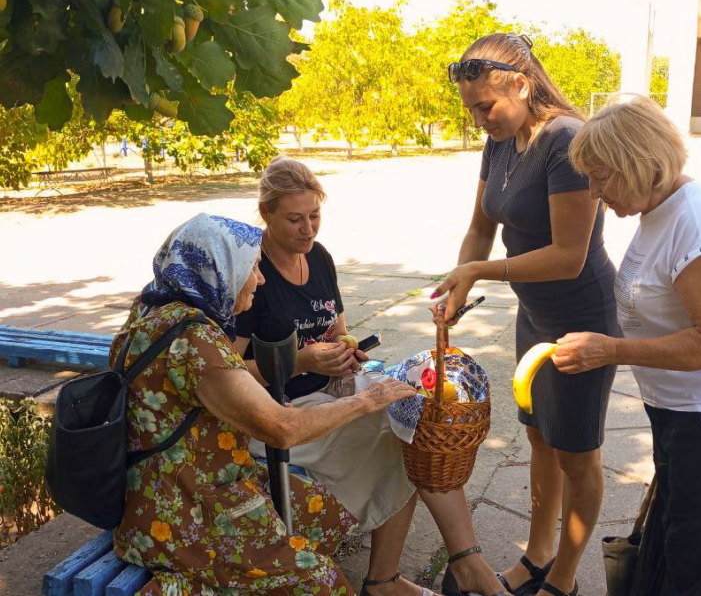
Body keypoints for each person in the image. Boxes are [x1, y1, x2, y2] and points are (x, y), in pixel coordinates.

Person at [235, 156, 511, 596]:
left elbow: (337, 332)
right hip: (282, 414)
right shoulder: (251, 271)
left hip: (330, 391)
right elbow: (228, 373)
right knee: (403, 431)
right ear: (265, 214)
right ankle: (438, 570)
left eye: (314, 216)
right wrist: (303, 362)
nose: (308, 229)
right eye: (294, 219)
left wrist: (347, 352)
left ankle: (418, 571)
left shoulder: (318, 257)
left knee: (421, 413)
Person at [110, 213, 422, 596]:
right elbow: (281, 428)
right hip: (183, 508)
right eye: (252, 268)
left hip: (172, 484)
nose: (259, 279)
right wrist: (370, 399)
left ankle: (261, 571)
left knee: (320, 513)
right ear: (220, 269)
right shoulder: (194, 340)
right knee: (321, 582)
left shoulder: (151, 314)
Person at [556, 95, 701, 596]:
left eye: (602, 177)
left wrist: (611, 350)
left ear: (639, 164)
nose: (594, 193)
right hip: (684, 414)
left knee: (699, 572)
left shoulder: (697, 221)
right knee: (670, 553)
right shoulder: (658, 207)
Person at [432, 33, 619, 596]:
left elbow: (569, 256)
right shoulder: (501, 140)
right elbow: (481, 228)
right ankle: (538, 555)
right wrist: (455, 287)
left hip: (582, 315)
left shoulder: (568, 141)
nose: (478, 119)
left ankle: (564, 575)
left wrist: (479, 275)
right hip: (533, 313)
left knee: (577, 451)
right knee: (538, 438)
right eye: (469, 109)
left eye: (485, 106)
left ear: (521, 83)